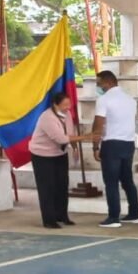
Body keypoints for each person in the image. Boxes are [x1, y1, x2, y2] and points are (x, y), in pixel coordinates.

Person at [29, 93, 92, 229]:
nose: (67, 107)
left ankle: (62, 215)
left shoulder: (67, 114)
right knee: (47, 187)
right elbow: (61, 139)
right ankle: (49, 219)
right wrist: (87, 137)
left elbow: (69, 134)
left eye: (68, 105)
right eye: (64, 105)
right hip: (42, 155)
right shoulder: (47, 118)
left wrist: (75, 147)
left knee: (62, 185)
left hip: (59, 153)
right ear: (55, 104)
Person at [91, 71, 138, 228]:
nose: (98, 86)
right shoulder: (130, 100)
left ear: (107, 82)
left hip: (111, 143)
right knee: (127, 180)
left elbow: (98, 124)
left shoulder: (104, 100)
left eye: (99, 83)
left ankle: (114, 217)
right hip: (128, 143)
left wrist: (95, 145)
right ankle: (134, 213)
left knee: (111, 182)